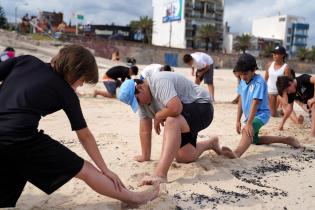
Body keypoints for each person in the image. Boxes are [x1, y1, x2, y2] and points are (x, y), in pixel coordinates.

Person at [0, 45, 158, 208]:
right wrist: (105, 170)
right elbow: (85, 136)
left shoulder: (26, 60)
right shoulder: (66, 93)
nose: (81, 85)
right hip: (21, 138)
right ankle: (135, 199)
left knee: (11, 179)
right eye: (83, 80)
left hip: (8, 137)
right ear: (74, 72)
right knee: (85, 170)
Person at [118, 72, 222, 185]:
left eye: (137, 100)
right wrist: (145, 156)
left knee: (171, 120)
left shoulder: (158, 82)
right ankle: (211, 143)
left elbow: (176, 108)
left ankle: (160, 174)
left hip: (202, 107)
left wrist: (158, 115)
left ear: (140, 87)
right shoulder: (142, 104)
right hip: (185, 117)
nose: (139, 104)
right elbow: (145, 130)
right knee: (185, 157)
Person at [221, 53, 301, 159]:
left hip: (261, 114)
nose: (243, 77)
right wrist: (238, 120)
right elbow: (240, 100)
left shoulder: (259, 82)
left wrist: (249, 123)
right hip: (250, 115)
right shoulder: (242, 81)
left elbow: (256, 102)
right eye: (241, 74)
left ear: (254, 70)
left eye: (245, 73)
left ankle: (236, 153)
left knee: (247, 131)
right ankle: (286, 140)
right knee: (255, 140)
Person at [264, 46, 291, 117]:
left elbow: (286, 84)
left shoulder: (286, 67)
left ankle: (280, 108)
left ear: (283, 55)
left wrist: (284, 96)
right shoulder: (270, 64)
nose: (274, 55)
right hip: (270, 92)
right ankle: (278, 110)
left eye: (277, 53)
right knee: (272, 114)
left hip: (280, 93)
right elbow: (265, 78)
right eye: (274, 53)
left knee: (287, 110)